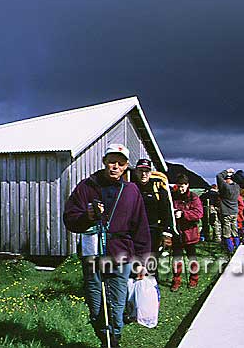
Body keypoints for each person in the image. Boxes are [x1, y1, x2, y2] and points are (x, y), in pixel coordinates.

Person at [63, 144, 151, 348]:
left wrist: (142, 260)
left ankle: (114, 338)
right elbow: (69, 218)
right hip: (92, 253)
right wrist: (88, 216)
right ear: (104, 161)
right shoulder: (86, 187)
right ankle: (103, 335)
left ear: (126, 166)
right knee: (95, 302)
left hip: (121, 251)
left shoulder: (131, 190)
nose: (115, 167)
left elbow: (141, 227)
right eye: (112, 161)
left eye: (120, 163)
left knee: (117, 301)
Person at [133, 158, 173, 282]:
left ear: (150, 172)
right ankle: (137, 287)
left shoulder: (158, 188)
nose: (143, 174)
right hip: (136, 230)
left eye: (147, 171)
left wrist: (167, 232)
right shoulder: (131, 187)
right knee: (137, 260)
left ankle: (151, 287)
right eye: (141, 171)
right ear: (136, 171)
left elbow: (166, 209)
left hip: (154, 229)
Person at [171, 174, 203, 291]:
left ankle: (194, 279)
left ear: (187, 185)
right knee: (176, 259)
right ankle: (176, 281)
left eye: (183, 186)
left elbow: (199, 213)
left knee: (192, 258)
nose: (181, 188)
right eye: (179, 186)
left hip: (190, 233)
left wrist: (183, 214)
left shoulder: (193, 197)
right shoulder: (173, 196)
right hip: (177, 233)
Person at [216, 168, 241, 254]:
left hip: (226, 212)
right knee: (235, 231)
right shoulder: (237, 187)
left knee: (227, 232)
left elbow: (218, 176)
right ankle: (238, 247)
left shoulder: (225, 187)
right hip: (234, 212)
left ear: (227, 179)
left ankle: (230, 250)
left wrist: (227, 171)